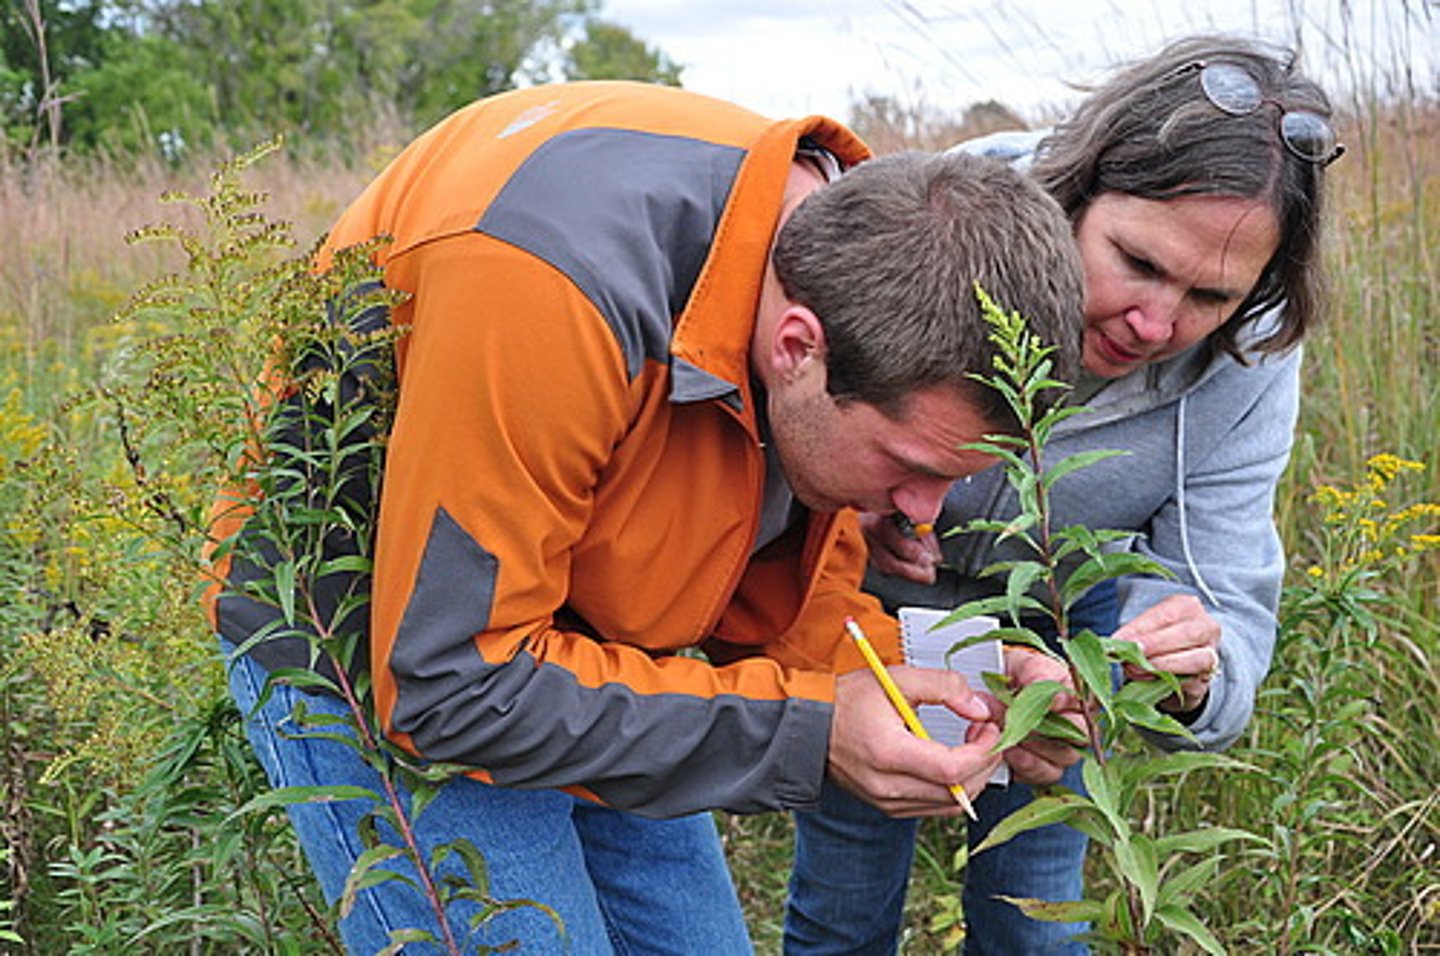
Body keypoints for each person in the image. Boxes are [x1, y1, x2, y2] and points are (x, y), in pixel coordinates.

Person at [205, 80, 1089, 953]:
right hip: (385, 643)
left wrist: (951, 681)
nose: (925, 517)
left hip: (590, 648)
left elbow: (784, 587)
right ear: (798, 349)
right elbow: (449, 688)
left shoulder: (849, 259)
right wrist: (809, 733)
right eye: (911, 469)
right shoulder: (548, 289)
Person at [783, 33, 1341, 955]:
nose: (1157, 323)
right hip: (868, 616)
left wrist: (1191, 669)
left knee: (1036, 923)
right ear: (1076, 192)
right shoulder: (942, 216)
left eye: (1211, 296)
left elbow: (1219, 590)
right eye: (1139, 262)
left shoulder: (1249, 358)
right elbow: (792, 403)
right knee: (846, 900)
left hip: (1059, 633)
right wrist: (849, 501)